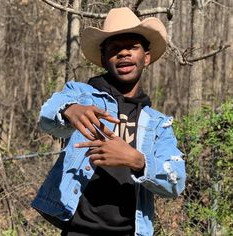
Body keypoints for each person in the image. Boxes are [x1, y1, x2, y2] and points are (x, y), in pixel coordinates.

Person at [32, 7, 186, 236]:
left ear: (146, 57)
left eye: (132, 47)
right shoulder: (81, 94)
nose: (123, 53)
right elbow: (47, 114)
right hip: (77, 230)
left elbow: (176, 181)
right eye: (115, 49)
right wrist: (69, 109)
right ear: (104, 59)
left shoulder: (158, 124)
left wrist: (136, 160)